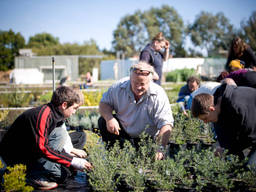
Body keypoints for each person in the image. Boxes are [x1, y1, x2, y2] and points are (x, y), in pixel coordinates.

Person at [0, 86, 92, 190]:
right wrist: (73, 161)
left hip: (32, 149)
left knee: (78, 137)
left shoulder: (55, 113)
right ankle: (34, 176)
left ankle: (49, 167)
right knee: (61, 175)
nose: (74, 112)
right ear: (64, 105)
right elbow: (43, 148)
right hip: (16, 156)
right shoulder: (43, 115)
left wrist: (69, 155)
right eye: (74, 108)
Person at [98, 62, 174, 160]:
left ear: (150, 81)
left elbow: (166, 124)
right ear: (130, 78)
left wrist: (160, 148)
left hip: (147, 139)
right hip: (123, 133)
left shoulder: (158, 94)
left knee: (145, 163)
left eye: (142, 84)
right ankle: (115, 159)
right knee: (103, 121)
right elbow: (104, 103)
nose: (138, 87)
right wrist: (109, 118)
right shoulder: (118, 87)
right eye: (135, 83)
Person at [191, 83, 256, 170]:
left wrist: (228, 150)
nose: (205, 122)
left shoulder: (237, 106)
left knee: (251, 168)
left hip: (253, 129)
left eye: (205, 118)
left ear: (211, 109)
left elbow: (250, 137)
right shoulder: (217, 114)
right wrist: (225, 149)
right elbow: (227, 142)